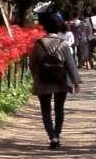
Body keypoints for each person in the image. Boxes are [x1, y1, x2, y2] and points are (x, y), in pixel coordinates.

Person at [29, 12, 81, 149]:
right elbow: (70, 64)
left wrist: (36, 77)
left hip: (43, 80)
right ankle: (57, 135)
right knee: (59, 109)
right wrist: (76, 82)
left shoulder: (38, 44)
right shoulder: (63, 44)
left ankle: (51, 136)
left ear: (45, 28)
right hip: (61, 80)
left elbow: (32, 64)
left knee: (45, 110)